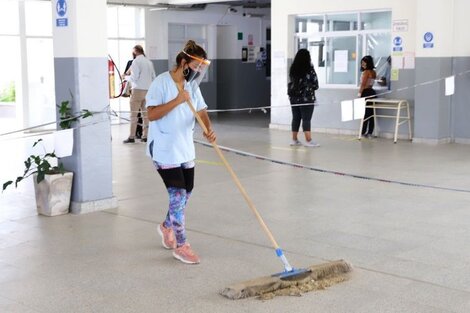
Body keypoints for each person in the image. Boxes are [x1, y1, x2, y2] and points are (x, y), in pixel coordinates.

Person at [145, 40, 216, 264]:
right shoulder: (161, 83)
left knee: (187, 193)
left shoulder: (192, 86)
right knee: (177, 195)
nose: (198, 71)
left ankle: (166, 226)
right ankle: (182, 244)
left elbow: (202, 109)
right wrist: (177, 100)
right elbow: (152, 115)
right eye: (196, 66)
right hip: (164, 149)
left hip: (184, 148)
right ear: (184, 63)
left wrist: (207, 128)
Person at [122, 45, 156, 143]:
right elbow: (154, 77)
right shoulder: (149, 62)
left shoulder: (136, 61)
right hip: (148, 91)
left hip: (137, 90)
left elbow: (134, 77)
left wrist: (125, 77)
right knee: (146, 115)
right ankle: (145, 136)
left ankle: (132, 136)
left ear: (135, 51)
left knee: (134, 115)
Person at [287, 49, 320, 147]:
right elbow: (315, 85)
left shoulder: (293, 69)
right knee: (306, 119)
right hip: (306, 98)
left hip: (293, 98)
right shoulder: (309, 69)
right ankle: (308, 140)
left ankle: (294, 139)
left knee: (296, 118)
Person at [359, 55, 377, 138]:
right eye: (362, 62)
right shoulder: (373, 72)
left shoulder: (366, 72)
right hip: (372, 92)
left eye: (364, 62)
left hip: (366, 92)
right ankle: (370, 132)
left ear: (367, 63)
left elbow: (363, 84)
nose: (362, 64)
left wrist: (359, 93)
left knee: (365, 114)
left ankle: (362, 132)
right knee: (371, 113)